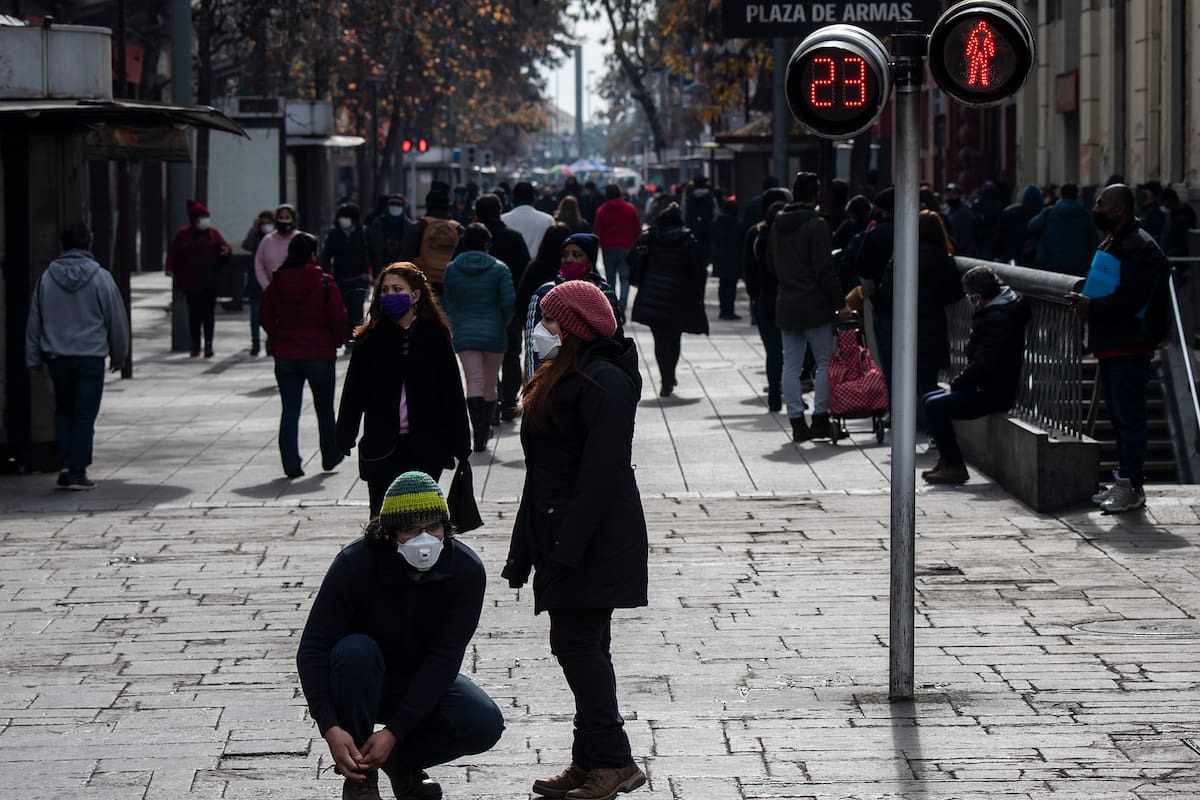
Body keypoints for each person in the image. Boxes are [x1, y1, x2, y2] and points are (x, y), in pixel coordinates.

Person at [502, 281, 648, 800]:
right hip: (560, 530)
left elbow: (599, 474)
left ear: (575, 326)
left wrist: (565, 549)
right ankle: (589, 760)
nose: (543, 329)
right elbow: (542, 471)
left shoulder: (605, 380)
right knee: (587, 647)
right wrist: (523, 549)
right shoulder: (563, 372)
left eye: (551, 319)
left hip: (594, 537)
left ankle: (615, 760)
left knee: (576, 645)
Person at [297, 470, 504, 800]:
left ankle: (401, 760)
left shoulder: (465, 570)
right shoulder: (355, 564)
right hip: (358, 678)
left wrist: (395, 733)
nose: (424, 539)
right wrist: (329, 726)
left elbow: (445, 658)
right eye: (410, 530)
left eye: (433, 528)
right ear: (389, 533)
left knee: (483, 721)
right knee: (356, 650)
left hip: (419, 677)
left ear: (445, 528)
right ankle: (360, 776)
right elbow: (312, 648)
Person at [336, 262, 470, 517]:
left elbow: (451, 393)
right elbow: (354, 391)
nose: (389, 295)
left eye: (397, 289)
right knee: (382, 515)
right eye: (384, 290)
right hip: (382, 444)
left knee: (422, 515)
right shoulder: (370, 338)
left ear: (415, 295)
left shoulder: (434, 335)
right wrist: (345, 434)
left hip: (427, 444)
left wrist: (461, 443)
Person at [1069, 183, 1171, 512]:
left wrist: (1092, 307)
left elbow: (1132, 297)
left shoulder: (1141, 246)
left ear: (1119, 209)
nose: (1095, 208)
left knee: (1129, 416)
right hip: (1112, 342)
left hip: (1130, 341)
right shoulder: (1115, 239)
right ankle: (1124, 478)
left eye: (1101, 203)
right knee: (1117, 414)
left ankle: (1132, 485)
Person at [25, 222, 130, 490]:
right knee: (85, 414)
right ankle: (77, 470)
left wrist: (33, 357)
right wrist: (120, 355)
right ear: (89, 244)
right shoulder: (100, 277)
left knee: (64, 410)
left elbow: (34, 320)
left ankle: (65, 462)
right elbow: (116, 319)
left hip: (57, 357)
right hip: (90, 357)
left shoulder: (47, 277)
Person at [922, 265, 1030, 485]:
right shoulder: (1000, 311)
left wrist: (958, 384)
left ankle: (954, 465)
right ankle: (948, 460)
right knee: (929, 398)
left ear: (978, 295)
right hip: (988, 385)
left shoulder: (998, 318)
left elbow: (984, 363)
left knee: (934, 405)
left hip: (993, 391)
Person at [767, 173, 849, 442]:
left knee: (790, 364)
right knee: (824, 360)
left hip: (786, 302)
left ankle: (796, 421)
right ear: (815, 196)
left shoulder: (777, 224)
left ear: (793, 193)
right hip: (815, 304)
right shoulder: (817, 225)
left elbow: (770, 264)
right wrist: (840, 303)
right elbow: (825, 270)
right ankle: (820, 418)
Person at [260, 233, 348, 479]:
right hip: (319, 353)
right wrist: (337, 341)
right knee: (324, 409)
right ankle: (330, 454)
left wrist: (279, 337)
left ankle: (290, 462)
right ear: (312, 254)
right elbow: (338, 316)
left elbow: (265, 316)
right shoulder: (323, 282)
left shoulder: (277, 282)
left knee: (290, 410)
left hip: (286, 354)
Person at [442, 223, 516, 452]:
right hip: (494, 331)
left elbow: (448, 300)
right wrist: (501, 321)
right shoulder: (500, 269)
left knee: (473, 379)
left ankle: (478, 431)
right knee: (491, 381)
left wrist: (455, 321)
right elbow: (509, 302)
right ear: (487, 244)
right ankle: (485, 429)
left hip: (464, 332)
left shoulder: (452, 269)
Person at [628, 204, 708, 397]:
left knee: (660, 339)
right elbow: (697, 270)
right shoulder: (687, 239)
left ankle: (665, 379)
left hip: (653, 294)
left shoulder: (650, 237)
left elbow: (632, 258)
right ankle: (670, 375)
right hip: (678, 296)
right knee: (674, 337)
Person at [525, 233, 623, 380]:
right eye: (565, 255)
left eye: (576, 255)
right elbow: (534, 344)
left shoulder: (605, 292)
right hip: (556, 376)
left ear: (590, 261)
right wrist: (536, 385)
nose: (569, 259)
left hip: (596, 377)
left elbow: (617, 340)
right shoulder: (547, 293)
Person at [469, 194, 531, 423]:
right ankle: (508, 403)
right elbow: (526, 270)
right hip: (510, 305)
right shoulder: (514, 238)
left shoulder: (468, 236)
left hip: (478, 307)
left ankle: (491, 402)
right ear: (501, 209)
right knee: (512, 354)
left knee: (485, 357)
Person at [914, 211, 970, 403]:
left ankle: (904, 421)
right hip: (933, 321)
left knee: (904, 375)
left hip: (906, 323)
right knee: (930, 381)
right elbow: (955, 292)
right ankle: (931, 427)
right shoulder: (944, 259)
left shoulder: (906, 257)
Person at [744, 190, 791, 412]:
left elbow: (748, 271)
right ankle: (791, 396)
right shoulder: (791, 238)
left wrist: (754, 296)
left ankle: (774, 392)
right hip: (790, 299)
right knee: (791, 353)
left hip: (765, 300)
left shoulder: (756, 236)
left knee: (773, 351)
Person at [166, 198, 232, 358]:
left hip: (210, 281)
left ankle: (208, 344)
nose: (204, 221)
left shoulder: (213, 234)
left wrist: (225, 252)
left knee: (208, 314)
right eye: (201, 218)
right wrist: (170, 269)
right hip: (190, 281)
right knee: (194, 314)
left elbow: (225, 249)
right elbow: (173, 254)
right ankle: (196, 344)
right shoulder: (183, 235)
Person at [320, 203, 373, 350]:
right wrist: (326, 275)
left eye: (348, 217)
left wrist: (374, 275)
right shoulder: (334, 233)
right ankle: (344, 339)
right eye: (343, 216)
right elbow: (326, 255)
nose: (344, 220)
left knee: (356, 310)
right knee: (341, 312)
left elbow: (373, 254)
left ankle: (355, 341)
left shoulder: (363, 232)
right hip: (339, 279)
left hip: (358, 279)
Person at [401, 182, 462, 295]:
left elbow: (406, 257)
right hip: (450, 284)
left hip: (424, 283)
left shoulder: (419, 226)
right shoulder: (458, 228)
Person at [592, 185, 642, 313]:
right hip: (626, 248)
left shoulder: (601, 211)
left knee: (611, 279)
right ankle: (623, 302)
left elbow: (597, 232)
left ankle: (612, 304)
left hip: (608, 248)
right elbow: (637, 230)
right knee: (625, 278)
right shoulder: (630, 209)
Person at [1027, 183, 1096, 276]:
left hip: (1050, 262)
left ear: (1061, 194)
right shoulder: (1084, 214)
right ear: (1077, 196)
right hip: (1078, 265)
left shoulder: (1049, 212)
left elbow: (1031, 226)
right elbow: (1093, 241)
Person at [241, 210, 275, 355]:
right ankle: (255, 343)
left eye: (269, 223)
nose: (266, 226)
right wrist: (254, 230)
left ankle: (270, 343)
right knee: (255, 314)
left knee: (273, 315)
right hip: (255, 282)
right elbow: (246, 246)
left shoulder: (276, 236)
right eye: (263, 223)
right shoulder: (255, 235)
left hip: (272, 282)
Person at [502, 181, 556, 258]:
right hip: (540, 266)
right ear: (534, 197)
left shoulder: (503, 219)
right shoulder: (548, 220)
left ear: (513, 197)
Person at [254, 203, 301, 293]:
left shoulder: (300, 239)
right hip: (271, 291)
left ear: (294, 220)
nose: (283, 221)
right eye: (281, 217)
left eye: (287, 218)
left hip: (296, 292)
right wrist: (267, 286)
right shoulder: (267, 240)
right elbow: (259, 265)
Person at [712, 197, 745, 320]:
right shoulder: (738, 224)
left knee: (723, 285)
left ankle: (723, 309)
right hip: (733, 259)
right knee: (731, 286)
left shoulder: (718, 223)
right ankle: (729, 310)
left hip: (720, 258)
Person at [993, 184, 1042, 265]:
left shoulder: (1009, 211)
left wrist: (998, 253)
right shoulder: (1041, 212)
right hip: (1033, 256)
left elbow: (999, 234)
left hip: (1010, 254)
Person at [368, 194, 413, 275]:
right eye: (392, 204)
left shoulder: (409, 226)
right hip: (381, 270)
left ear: (403, 207)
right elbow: (373, 248)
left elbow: (410, 251)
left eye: (398, 205)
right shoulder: (378, 224)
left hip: (402, 271)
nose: (395, 207)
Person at [1159, 187, 1197, 258]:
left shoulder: (1185, 216)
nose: (1164, 206)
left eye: (1164, 202)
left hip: (1177, 257)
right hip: (1169, 255)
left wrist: (1169, 253)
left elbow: (1187, 241)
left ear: (1169, 200)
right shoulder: (1170, 215)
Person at [942, 183, 976, 256]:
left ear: (958, 195)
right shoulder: (947, 210)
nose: (950, 197)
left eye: (953, 194)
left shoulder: (965, 211)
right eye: (948, 194)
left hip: (964, 251)